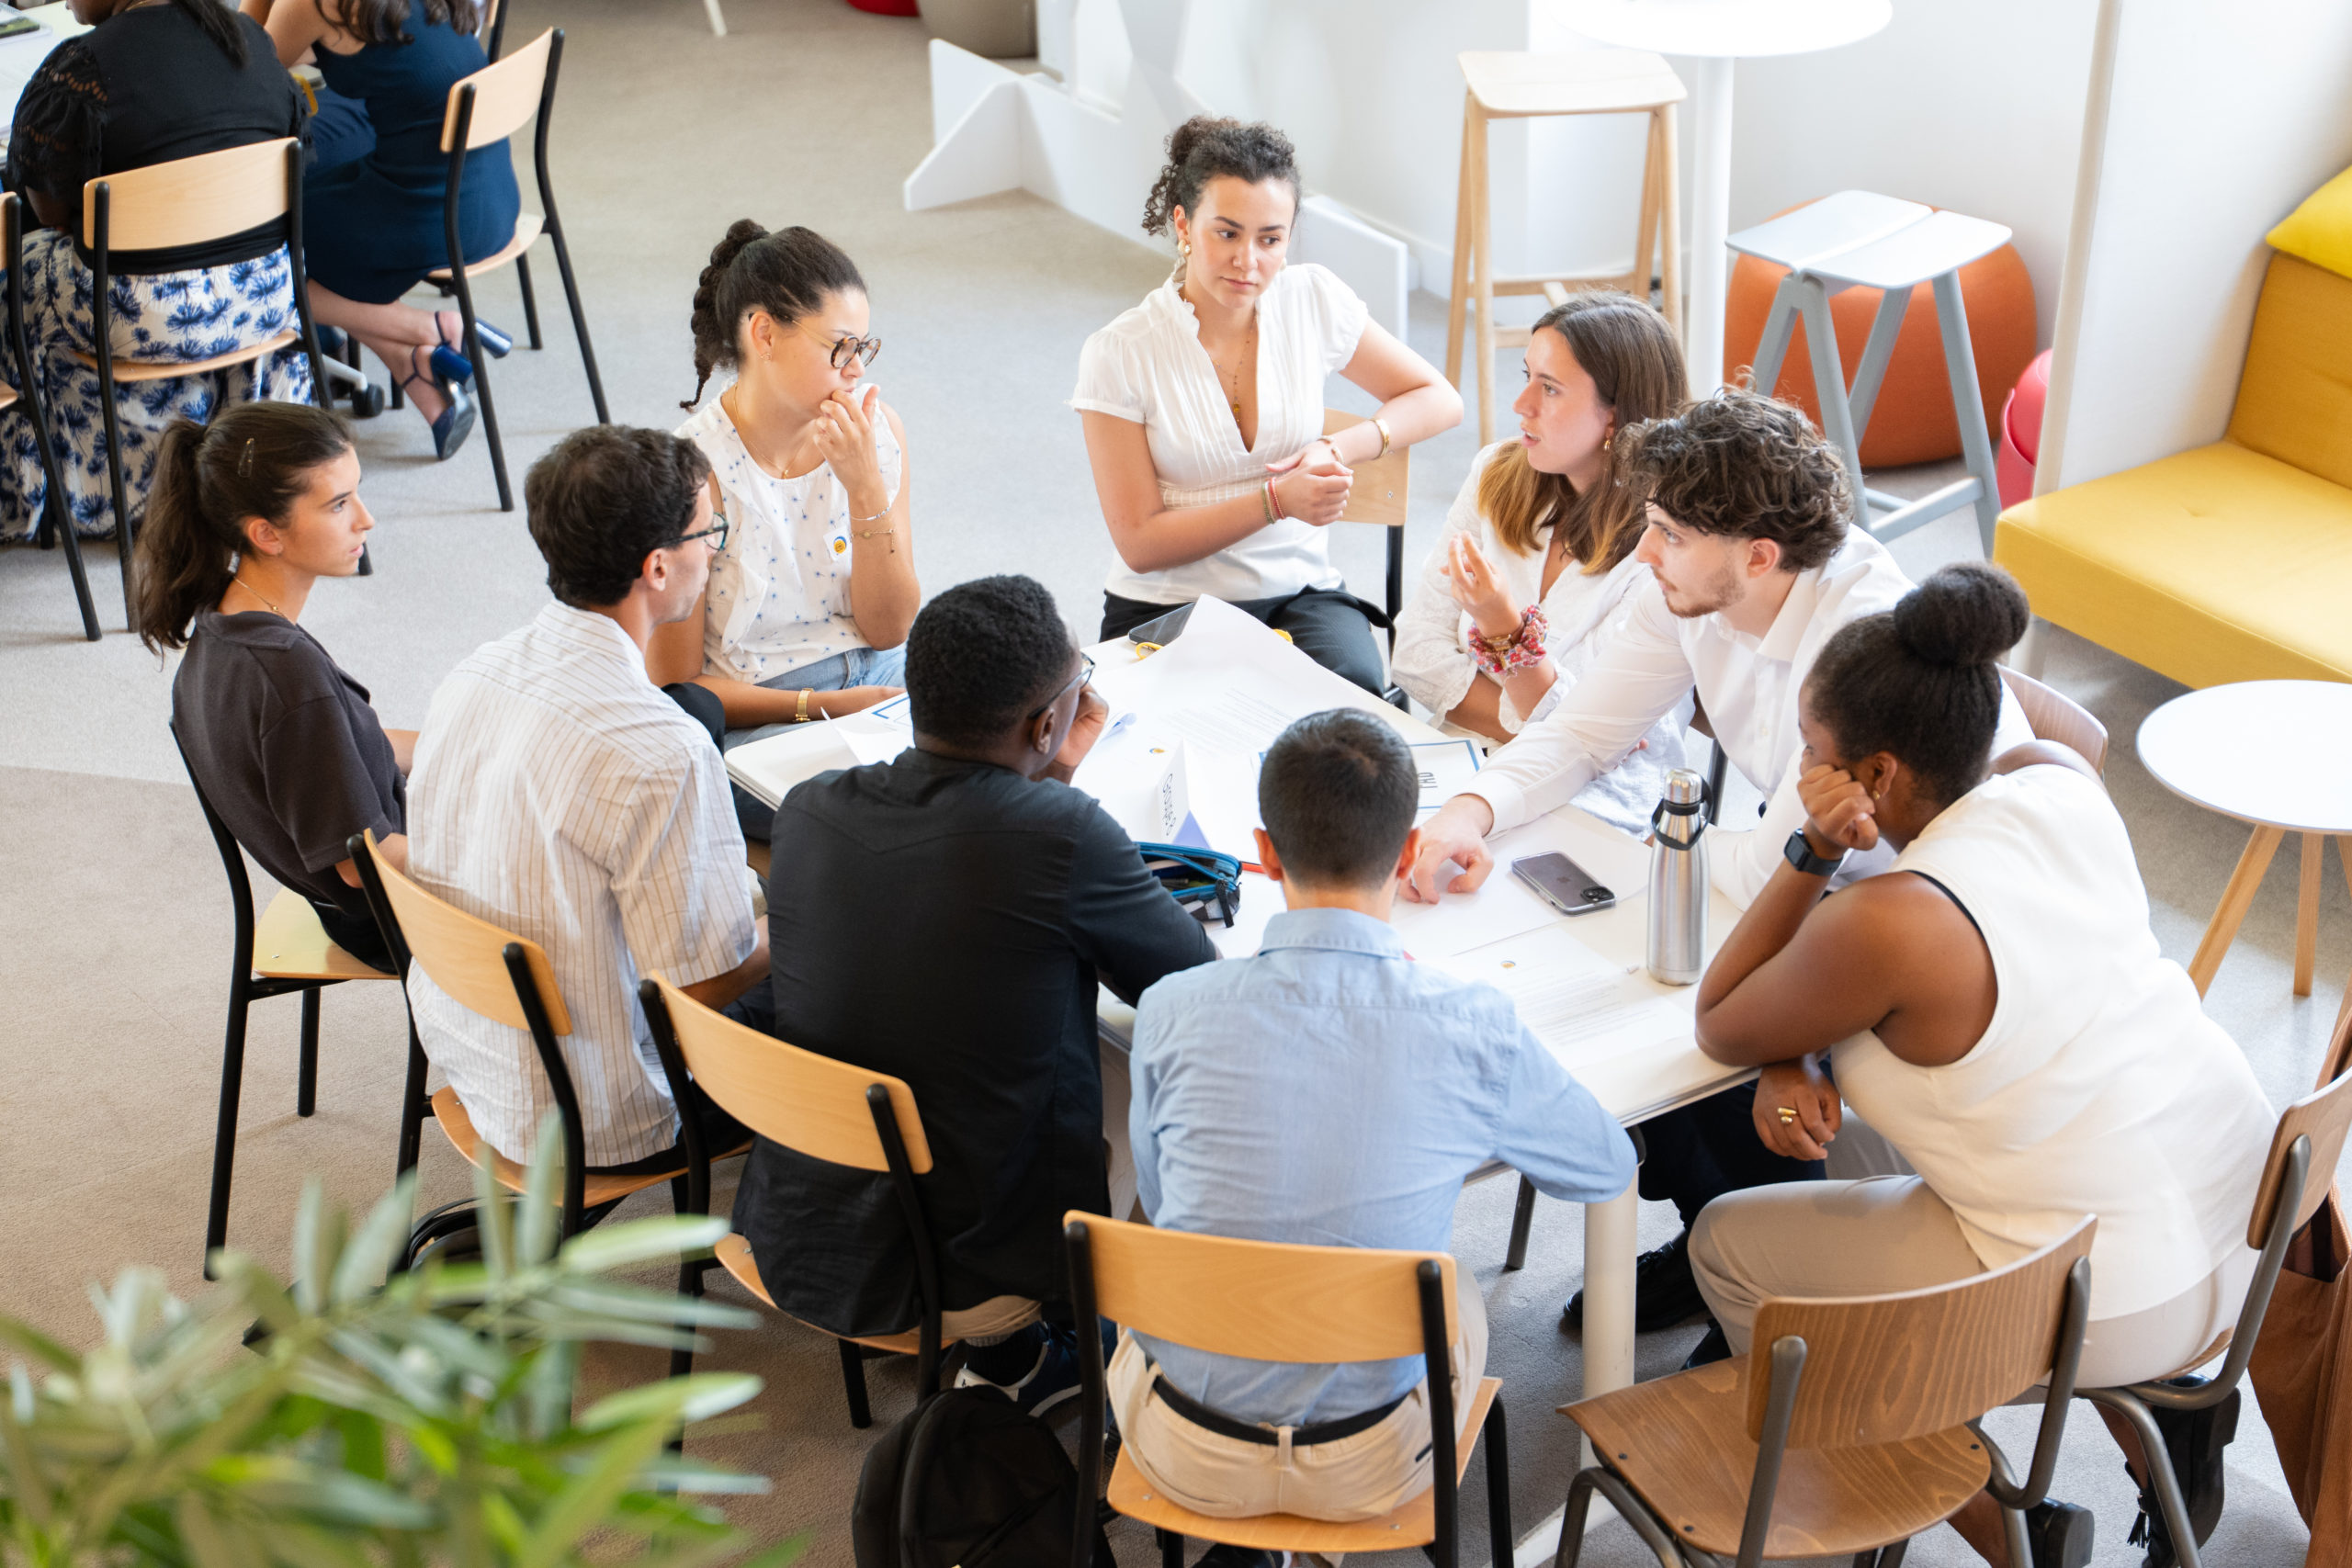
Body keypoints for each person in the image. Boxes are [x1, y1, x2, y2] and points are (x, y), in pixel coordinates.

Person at [1408, 389, 2035, 1348]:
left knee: (1685, 1015)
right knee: (1647, 973)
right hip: (1820, 886)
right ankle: (1718, 1239)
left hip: (1919, 925)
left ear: (1759, 556)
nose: (1643, 553)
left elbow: (1773, 866)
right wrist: (1470, 808)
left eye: (1666, 533)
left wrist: (1636, 857)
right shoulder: (1691, 590)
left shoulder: (1856, 637)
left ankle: (1773, 1291)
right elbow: (1584, 730)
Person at [1687, 561, 2273, 1568]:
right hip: (2234, 1218)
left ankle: (1997, 1521)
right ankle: (2160, 1419)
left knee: (1728, 1247)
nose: (1800, 767)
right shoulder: (2055, 775)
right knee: (1868, 1151)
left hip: (2114, 1291)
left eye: (1813, 753)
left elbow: (1720, 1018)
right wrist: (1794, 1050)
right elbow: (2038, 727)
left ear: (1875, 776)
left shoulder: (1889, 918)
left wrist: (1812, 848)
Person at [1118, 709, 1634, 1529]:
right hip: (1370, 1463)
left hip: (1185, 1449)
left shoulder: (1170, 1007)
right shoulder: (1470, 1022)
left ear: (1264, 853)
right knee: (1454, 1288)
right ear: (1407, 852)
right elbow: (1606, 1165)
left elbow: (1157, 1196)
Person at [730, 574, 1217, 1410]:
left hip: (806, 1219)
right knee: (1127, 1069)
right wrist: (1053, 790)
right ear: (1046, 725)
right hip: (967, 1258)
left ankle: (1010, 1353)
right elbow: (1192, 983)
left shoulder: (808, 810)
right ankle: (1042, 1348)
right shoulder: (1063, 834)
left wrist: (1040, 788)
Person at [403, 425, 766, 1174]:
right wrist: (804, 922)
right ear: (657, 566)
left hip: (473, 1058)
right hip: (602, 1113)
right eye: (711, 534)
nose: (716, 552)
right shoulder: (663, 749)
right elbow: (699, 987)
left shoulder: (474, 671)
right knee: (845, 977)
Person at [1073, 116, 1462, 695]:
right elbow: (1141, 544)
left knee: (1349, 698)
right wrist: (1276, 501)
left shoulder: (1313, 299)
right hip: (1166, 603)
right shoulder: (1120, 351)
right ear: (1183, 224)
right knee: (1194, 718)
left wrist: (1338, 446)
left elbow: (1439, 399)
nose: (1248, 261)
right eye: (1226, 233)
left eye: (1270, 239)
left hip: (1300, 592)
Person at [2, 0, 311, 542]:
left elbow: (48, 213)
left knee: (16, 267)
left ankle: (45, 491)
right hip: (262, 300)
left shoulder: (80, 68)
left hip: (143, 318)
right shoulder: (250, 41)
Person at [654, 220, 918, 840]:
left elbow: (890, 629)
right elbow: (677, 686)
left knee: (1005, 748)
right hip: (763, 714)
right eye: (840, 347)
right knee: (882, 816)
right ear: (764, 334)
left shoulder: (876, 434)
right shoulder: (691, 474)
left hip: (885, 681)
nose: (855, 369)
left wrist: (865, 489)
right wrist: (821, 706)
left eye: (864, 347)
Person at [1390, 290, 1688, 833]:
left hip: (1591, 808)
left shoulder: (1667, 544)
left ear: (1616, 417)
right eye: (1527, 376)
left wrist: (1502, 628)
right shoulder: (1495, 473)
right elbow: (1413, 654)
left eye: (1549, 388)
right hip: (1455, 763)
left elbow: (1599, 746)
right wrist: (1560, 731)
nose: (1521, 404)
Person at [139, 402, 404, 973]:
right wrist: (484, 849)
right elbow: (365, 863)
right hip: (396, 916)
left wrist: (465, 743)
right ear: (266, 533)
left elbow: (337, 746)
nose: (365, 519)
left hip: (348, 896)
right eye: (338, 504)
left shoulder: (223, 622)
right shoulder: (287, 673)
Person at [242, 0, 523, 459]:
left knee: (253, 248)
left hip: (426, 214)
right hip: (487, 200)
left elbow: (240, 77)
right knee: (308, 196)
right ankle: (416, 368)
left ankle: (429, 327)